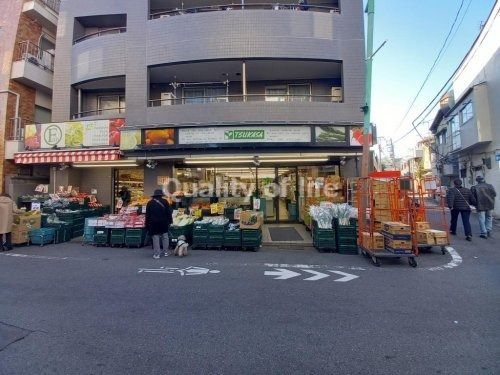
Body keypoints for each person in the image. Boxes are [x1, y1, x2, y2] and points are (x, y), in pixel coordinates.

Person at [146, 189, 173, 259]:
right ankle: (166, 252)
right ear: (161, 195)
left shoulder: (149, 203)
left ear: (154, 196)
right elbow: (168, 212)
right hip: (163, 222)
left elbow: (147, 215)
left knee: (155, 237)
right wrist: (170, 221)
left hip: (153, 223)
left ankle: (157, 254)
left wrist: (146, 224)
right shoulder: (165, 201)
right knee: (165, 236)